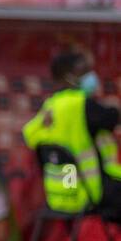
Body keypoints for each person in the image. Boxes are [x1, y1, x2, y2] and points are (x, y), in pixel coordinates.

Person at [22, 48, 121, 221]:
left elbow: (29, 135)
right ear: (67, 77)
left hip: (60, 198)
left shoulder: (50, 107)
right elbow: (112, 118)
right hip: (90, 193)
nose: (90, 76)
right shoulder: (80, 104)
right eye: (83, 71)